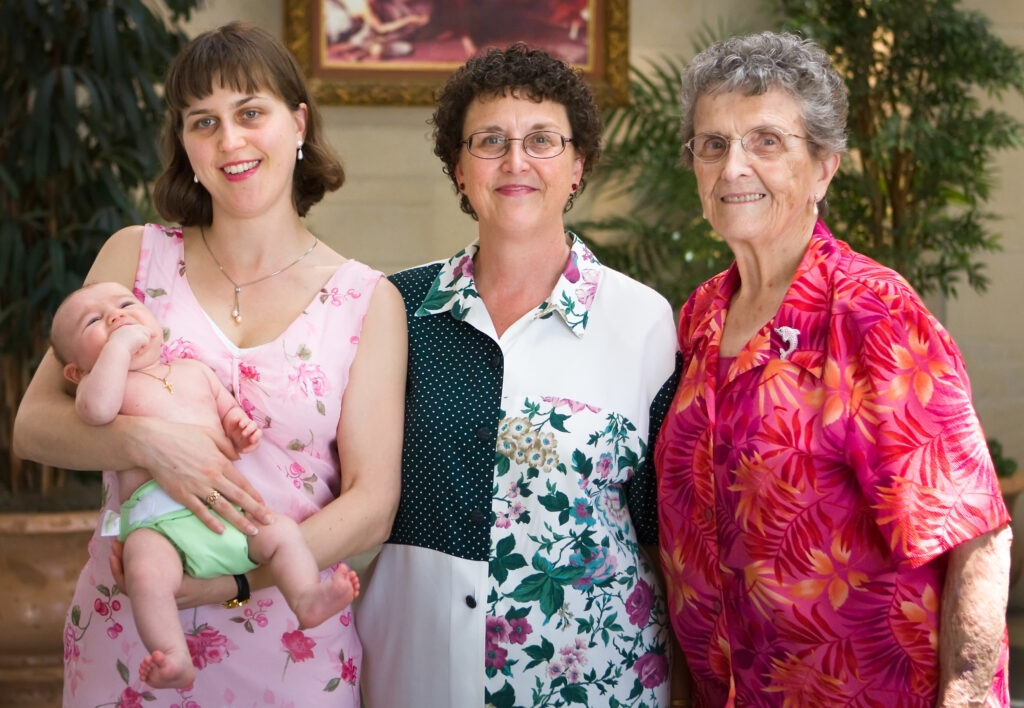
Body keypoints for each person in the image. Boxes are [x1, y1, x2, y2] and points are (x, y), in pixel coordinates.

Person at [13, 22, 406, 707]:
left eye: (251, 112)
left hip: (291, 643)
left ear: (298, 123)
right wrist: (145, 441)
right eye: (204, 122)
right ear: (186, 146)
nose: (230, 142)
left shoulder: (367, 300)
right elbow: (34, 426)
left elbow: (372, 505)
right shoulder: (132, 257)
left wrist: (236, 581)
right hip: (131, 638)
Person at [653, 31, 1012, 707]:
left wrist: (966, 697)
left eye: (766, 141)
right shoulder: (700, 316)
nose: (734, 168)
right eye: (713, 143)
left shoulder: (873, 313)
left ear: (824, 166)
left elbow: (976, 535)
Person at [357, 44, 683, 707]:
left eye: (541, 140)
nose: (516, 161)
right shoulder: (396, 309)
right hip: (418, 676)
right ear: (457, 166)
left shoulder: (642, 320)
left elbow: (660, 529)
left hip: (595, 680)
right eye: (489, 141)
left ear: (577, 165)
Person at [49, 281, 361, 689]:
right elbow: (95, 410)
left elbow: (227, 409)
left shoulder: (193, 371)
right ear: (76, 371)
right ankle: (175, 655)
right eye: (94, 321)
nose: (115, 316)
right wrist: (119, 349)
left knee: (282, 533)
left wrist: (239, 427)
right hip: (158, 522)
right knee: (144, 572)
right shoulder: (103, 385)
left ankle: (305, 597)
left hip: (227, 513)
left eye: (127, 304)